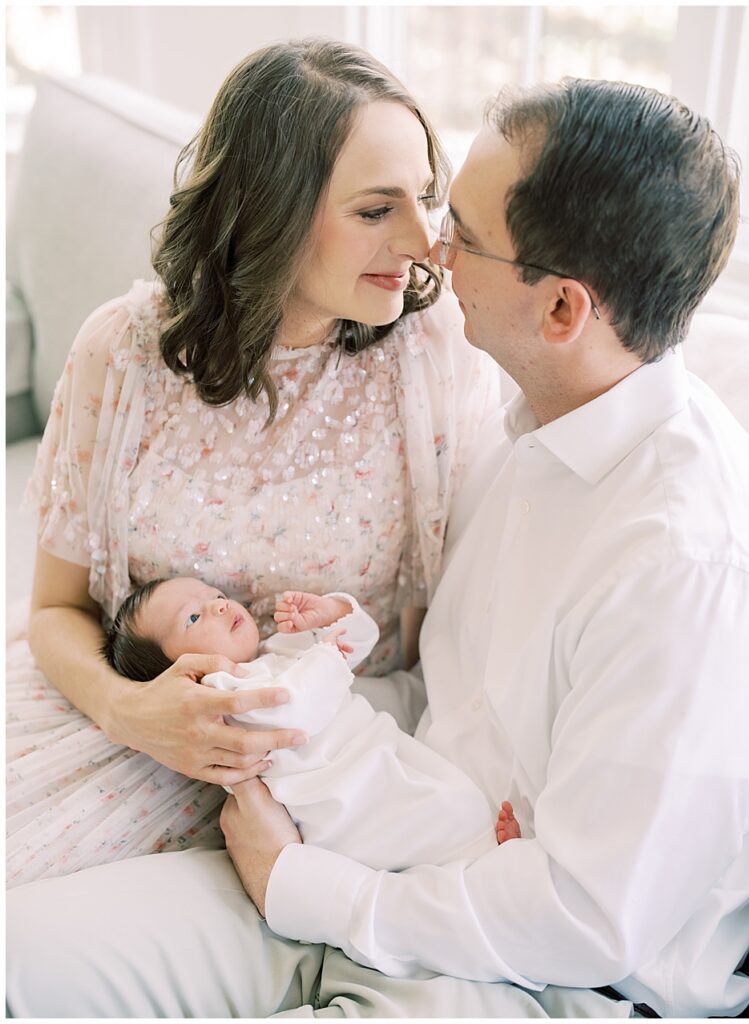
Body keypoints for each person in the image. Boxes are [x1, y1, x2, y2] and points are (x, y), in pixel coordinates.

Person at [7, 76, 749, 1020]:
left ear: (563, 310)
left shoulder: (688, 566)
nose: (429, 251)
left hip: (539, 972)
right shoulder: (527, 432)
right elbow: (439, 696)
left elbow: (584, 916)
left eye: (462, 232)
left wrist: (303, 885)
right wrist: (294, 710)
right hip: (365, 848)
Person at [5, 37, 500, 887]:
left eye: (426, 197)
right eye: (376, 210)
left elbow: (448, 648)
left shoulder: (431, 355)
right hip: (106, 711)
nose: (426, 241)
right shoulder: (124, 353)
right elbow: (52, 610)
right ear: (271, 209)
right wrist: (132, 710)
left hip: (311, 757)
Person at [102, 577, 520, 869]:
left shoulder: (273, 652)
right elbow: (295, 709)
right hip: (344, 803)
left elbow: (354, 645)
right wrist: (326, 656)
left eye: (215, 595)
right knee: (442, 817)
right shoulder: (223, 695)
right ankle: (487, 862)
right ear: (181, 673)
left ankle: (484, 857)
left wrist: (333, 612)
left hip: (377, 760)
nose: (220, 605)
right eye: (193, 618)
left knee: (458, 794)